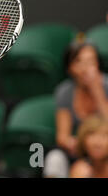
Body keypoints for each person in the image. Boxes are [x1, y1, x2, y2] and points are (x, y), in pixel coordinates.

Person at [43, 37, 108, 178]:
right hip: (79, 152)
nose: (86, 68)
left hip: (105, 151)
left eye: (91, 61)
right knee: (55, 159)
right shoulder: (64, 92)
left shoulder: (106, 86)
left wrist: (97, 91)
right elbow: (62, 137)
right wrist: (83, 145)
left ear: (98, 64)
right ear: (70, 67)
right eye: (79, 61)